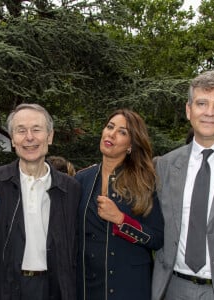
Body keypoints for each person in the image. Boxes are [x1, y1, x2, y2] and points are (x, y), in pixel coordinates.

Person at [0, 103, 81, 300]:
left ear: (50, 136)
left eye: (36, 129)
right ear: (13, 139)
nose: (29, 137)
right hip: (7, 288)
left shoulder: (71, 189)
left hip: (55, 289)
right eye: (21, 130)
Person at [152, 69, 214, 300]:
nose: (209, 112)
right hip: (173, 288)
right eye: (202, 103)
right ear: (189, 110)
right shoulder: (165, 165)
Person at [75, 108, 164, 300]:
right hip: (87, 286)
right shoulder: (81, 179)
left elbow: (158, 238)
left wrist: (121, 220)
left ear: (130, 145)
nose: (112, 134)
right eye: (110, 127)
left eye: (122, 132)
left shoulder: (146, 183)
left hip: (129, 286)